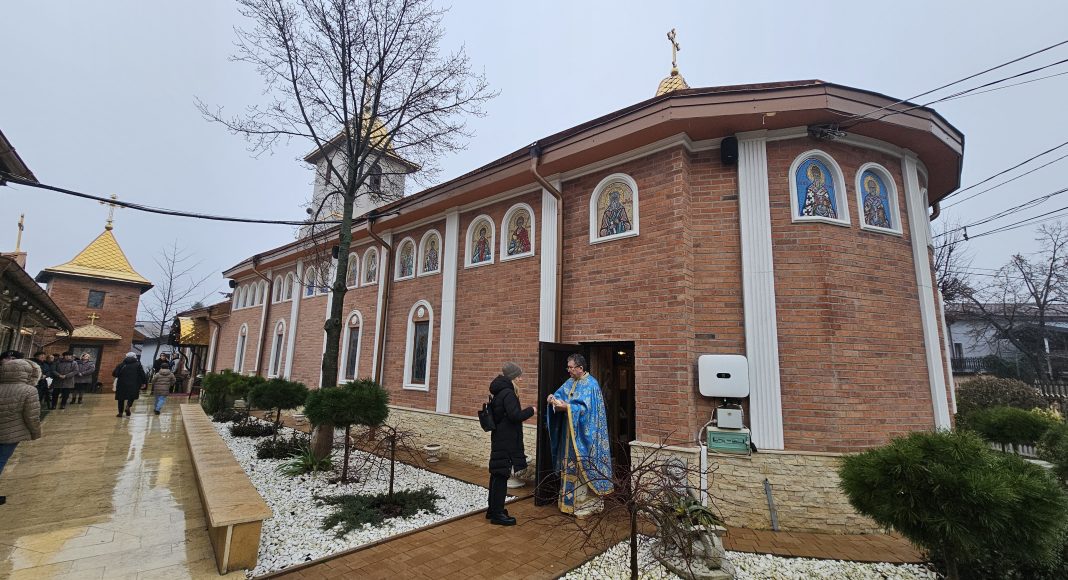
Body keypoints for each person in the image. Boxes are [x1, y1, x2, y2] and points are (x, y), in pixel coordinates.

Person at [546, 353, 613, 518]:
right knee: (569, 467)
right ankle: (568, 503)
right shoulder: (570, 381)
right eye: (568, 367)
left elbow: (588, 413)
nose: (568, 370)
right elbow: (560, 395)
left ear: (580, 368)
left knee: (583, 468)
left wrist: (568, 408)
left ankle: (584, 503)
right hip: (568, 436)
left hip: (585, 438)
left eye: (571, 367)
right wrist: (552, 398)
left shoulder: (591, 385)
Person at [486, 362, 534, 526]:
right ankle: (497, 515)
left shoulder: (500, 391)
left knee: (496, 474)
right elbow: (515, 416)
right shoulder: (508, 393)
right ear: (513, 377)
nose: (521, 379)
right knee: (501, 475)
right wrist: (531, 410)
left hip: (499, 438)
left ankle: (493, 510)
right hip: (506, 440)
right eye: (519, 376)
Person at [0, 358, 43, 505]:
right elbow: (32, 416)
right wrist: (35, 432)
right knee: (1, 460)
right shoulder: (29, 390)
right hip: (11, 433)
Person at [112, 352, 146, 417]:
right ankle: (128, 406)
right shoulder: (138, 365)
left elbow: (114, 374)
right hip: (134, 383)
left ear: (126, 357)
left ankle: (120, 413)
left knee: (121, 398)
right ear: (135, 357)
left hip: (122, 384)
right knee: (132, 396)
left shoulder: (121, 365)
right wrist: (144, 382)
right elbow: (142, 374)